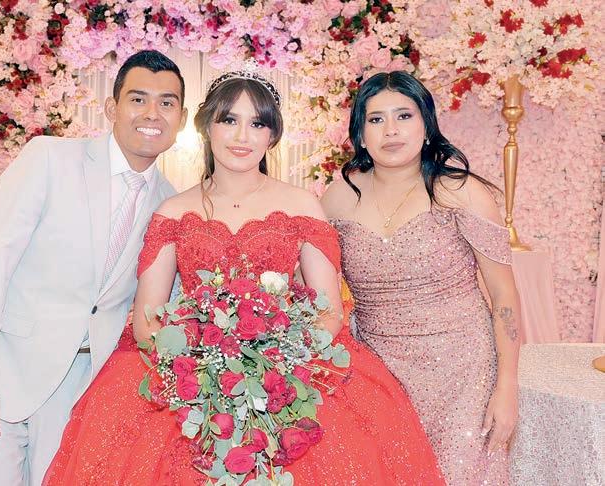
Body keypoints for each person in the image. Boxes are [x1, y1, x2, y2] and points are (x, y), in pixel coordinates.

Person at [43, 70, 444, 485]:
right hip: (189, 376)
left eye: (257, 123)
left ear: (272, 135)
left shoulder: (302, 205)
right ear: (206, 127)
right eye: (229, 120)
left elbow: (329, 313)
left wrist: (272, 366)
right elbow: (147, 322)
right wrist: (203, 371)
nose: (242, 136)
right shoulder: (174, 212)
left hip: (291, 372)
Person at [0, 50, 188, 486]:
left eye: (167, 103)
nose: (153, 113)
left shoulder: (172, 204)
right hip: (5, 373)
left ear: (181, 119)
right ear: (111, 107)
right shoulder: (49, 160)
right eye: (138, 99)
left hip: (85, 391)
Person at [322, 71, 521, 485]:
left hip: (463, 373)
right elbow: (315, 287)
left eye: (404, 116)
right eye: (376, 119)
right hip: (376, 373)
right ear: (360, 135)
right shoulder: (337, 198)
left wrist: (507, 387)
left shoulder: (461, 192)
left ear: (427, 126)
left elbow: (503, 295)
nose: (391, 130)